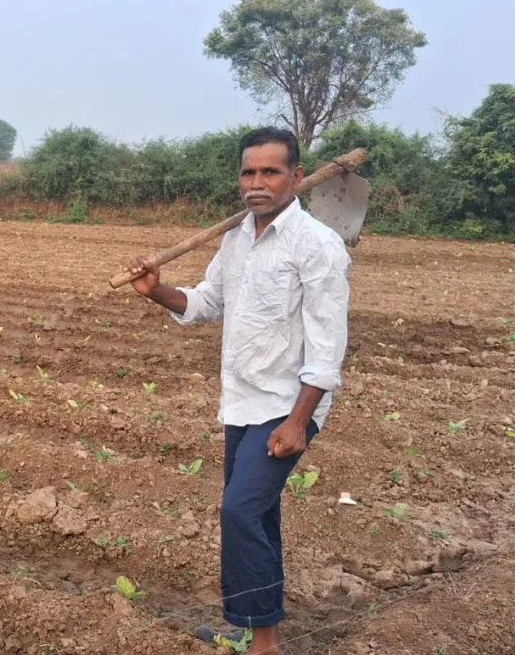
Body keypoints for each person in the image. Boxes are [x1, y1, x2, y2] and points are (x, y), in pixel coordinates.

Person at [124, 127, 351, 654]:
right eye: (249, 172)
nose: (257, 182)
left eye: (270, 172)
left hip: (288, 405)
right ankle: (256, 625)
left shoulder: (318, 247)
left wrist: (299, 422)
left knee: (240, 511)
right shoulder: (234, 239)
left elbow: (326, 346)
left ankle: (264, 643)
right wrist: (155, 289)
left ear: (295, 178)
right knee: (259, 513)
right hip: (243, 401)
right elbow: (206, 302)